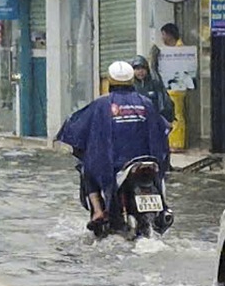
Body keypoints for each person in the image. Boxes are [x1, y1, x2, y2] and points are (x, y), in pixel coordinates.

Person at [56, 60, 171, 238]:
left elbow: (78, 126)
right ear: (131, 79)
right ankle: (165, 205)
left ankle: (98, 211)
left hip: (114, 164)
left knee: (87, 168)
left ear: (109, 81)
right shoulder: (146, 103)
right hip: (147, 161)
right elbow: (161, 129)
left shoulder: (102, 104)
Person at [132, 55, 173, 128]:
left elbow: (164, 101)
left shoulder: (154, 83)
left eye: (143, 69)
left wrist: (168, 119)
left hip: (154, 120)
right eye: (137, 69)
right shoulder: (130, 86)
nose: (140, 71)